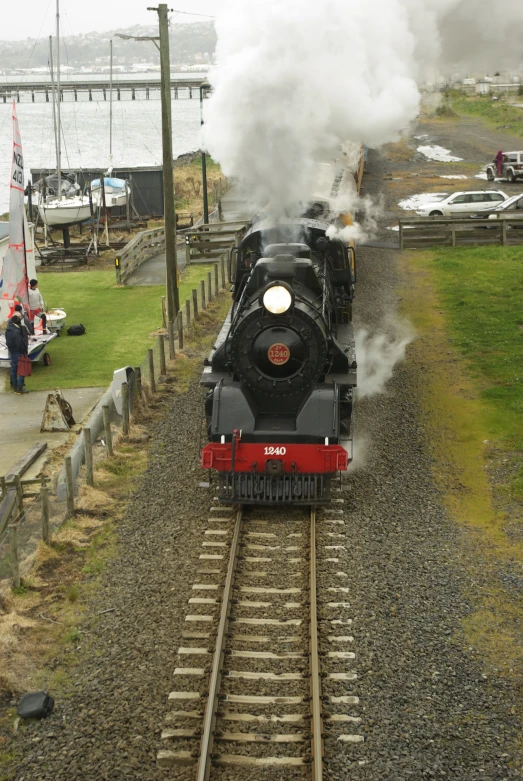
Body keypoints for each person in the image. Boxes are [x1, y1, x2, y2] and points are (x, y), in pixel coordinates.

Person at [5, 312, 29, 394]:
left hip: (12, 351)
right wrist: (24, 351)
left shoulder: (8, 330)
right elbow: (19, 343)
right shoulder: (16, 331)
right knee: (22, 370)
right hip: (18, 352)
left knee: (13, 369)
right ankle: (19, 387)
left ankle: (14, 386)